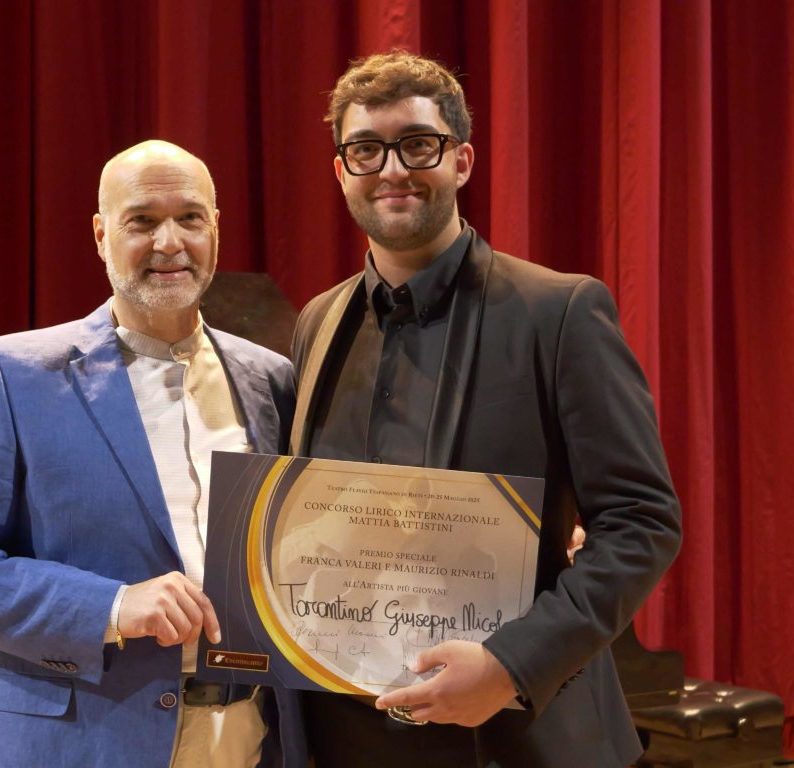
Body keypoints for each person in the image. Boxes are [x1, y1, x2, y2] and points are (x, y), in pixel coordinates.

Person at [291, 52, 681, 768]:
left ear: (462, 160)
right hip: (351, 738)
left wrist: (512, 665)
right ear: (341, 171)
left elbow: (642, 522)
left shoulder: (560, 311)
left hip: (519, 737)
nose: (392, 169)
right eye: (366, 150)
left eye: (418, 145)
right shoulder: (317, 322)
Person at [0, 141, 306, 768]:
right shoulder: (15, 373)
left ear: (215, 229)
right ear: (100, 234)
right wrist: (111, 606)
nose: (170, 242)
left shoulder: (270, 377)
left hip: (247, 739)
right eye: (142, 220)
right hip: (76, 744)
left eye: (190, 218)